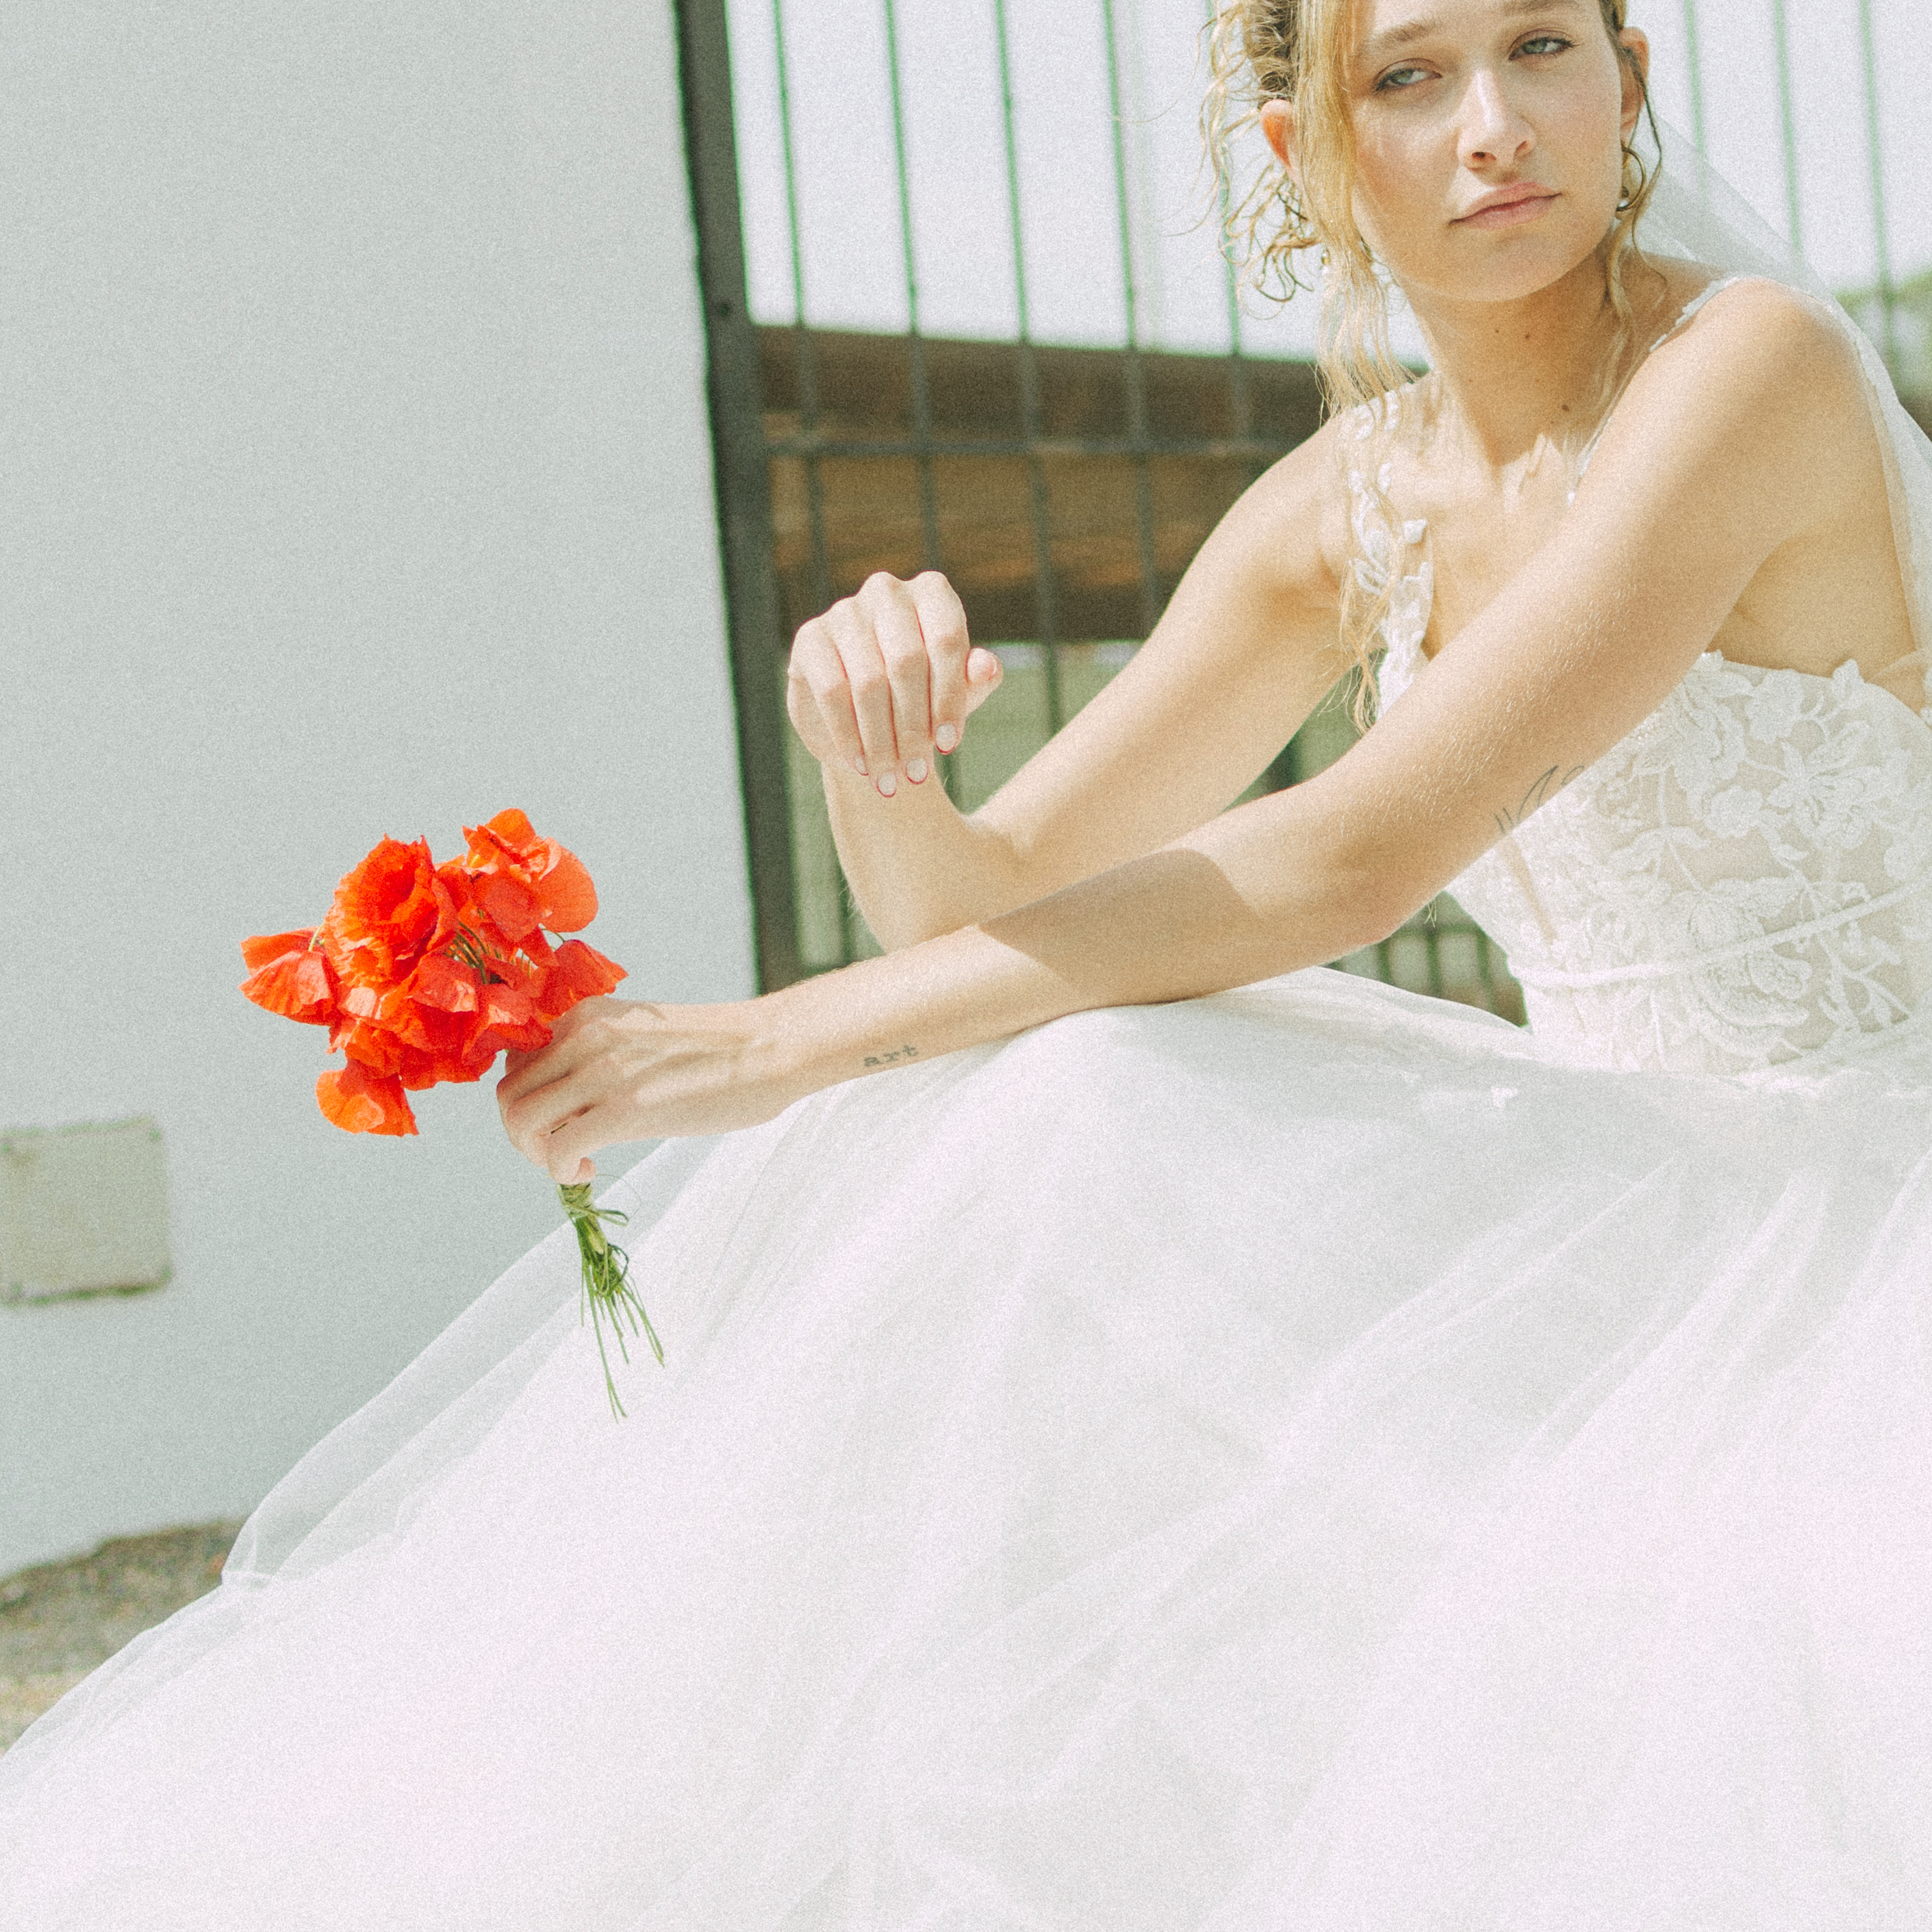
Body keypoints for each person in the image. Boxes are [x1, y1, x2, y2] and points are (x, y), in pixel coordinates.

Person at [5, 0, 1931, 1922]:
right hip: (1621, 1197)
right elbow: (978, 900)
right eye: (1408, 77)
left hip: (1864, 1191)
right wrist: (867, 743)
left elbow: (1359, 849)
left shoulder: (1746, 366)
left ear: (1632, 81)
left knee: (1073, 1086)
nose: (1495, 125)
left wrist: (778, 1038)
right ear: (1307, 159)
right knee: (1062, 1084)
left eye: (1542, 50)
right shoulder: (1342, 510)